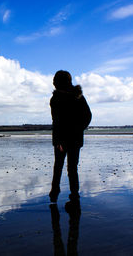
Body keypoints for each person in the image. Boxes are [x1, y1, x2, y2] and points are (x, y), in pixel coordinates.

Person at [49, 70, 92, 205]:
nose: (53, 83)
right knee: (71, 168)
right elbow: (87, 117)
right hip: (74, 139)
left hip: (66, 139)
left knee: (60, 167)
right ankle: (72, 194)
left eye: (55, 80)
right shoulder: (77, 97)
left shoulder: (58, 99)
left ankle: (57, 193)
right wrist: (78, 130)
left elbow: (57, 122)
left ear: (59, 82)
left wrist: (59, 140)